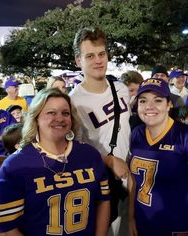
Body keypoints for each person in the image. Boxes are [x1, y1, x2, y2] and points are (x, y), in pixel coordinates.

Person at [0, 88, 110, 236]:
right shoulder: (15, 165)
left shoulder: (90, 155)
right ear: (36, 117)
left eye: (65, 113)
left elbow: (103, 201)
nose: (60, 118)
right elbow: (7, 228)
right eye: (51, 112)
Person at [128, 78, 188, 236]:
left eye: (157, 100)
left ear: (169, 104)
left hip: (178, 227)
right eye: (143, 101)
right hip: (144, 223)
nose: (149, 106)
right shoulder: (137, 133)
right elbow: (133, 179)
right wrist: (130, 217)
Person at [69, 27, 130, 236]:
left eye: (102, 54)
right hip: (101, 181)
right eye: (90, 56)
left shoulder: (120, 88)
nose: (98, 60)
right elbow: (74, 150)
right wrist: (110, 161)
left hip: (130, 175)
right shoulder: (73, 101)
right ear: (79, 61)